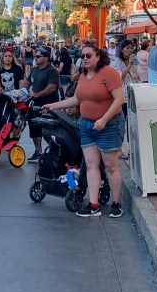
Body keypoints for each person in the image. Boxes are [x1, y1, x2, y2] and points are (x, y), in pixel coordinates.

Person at [47, 43, 125, 218]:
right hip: (87, 125)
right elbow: (77, 99)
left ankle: (116, 203)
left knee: (110, 166)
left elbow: (119, 99)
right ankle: (93, 204)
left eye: (89, 55)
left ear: (99, 56)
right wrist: (54, 106)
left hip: (109, 125)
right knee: (91, 164)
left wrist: (104, 119)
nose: (85, 59)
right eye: (82, 56)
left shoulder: (109, 73)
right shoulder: (83, 75)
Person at [22, 45, 60, 161]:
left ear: (46, 58)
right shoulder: (34, 70)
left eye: (38, 56)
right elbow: (27, 83)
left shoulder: (52, 71)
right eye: (35, 56)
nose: (35, 58)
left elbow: (52, 87)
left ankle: (55, 151)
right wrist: (20, 92)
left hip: (48, 104)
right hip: (35, 104)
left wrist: (38, 94)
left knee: (48, 129)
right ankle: (38, 151)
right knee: (34, 128)